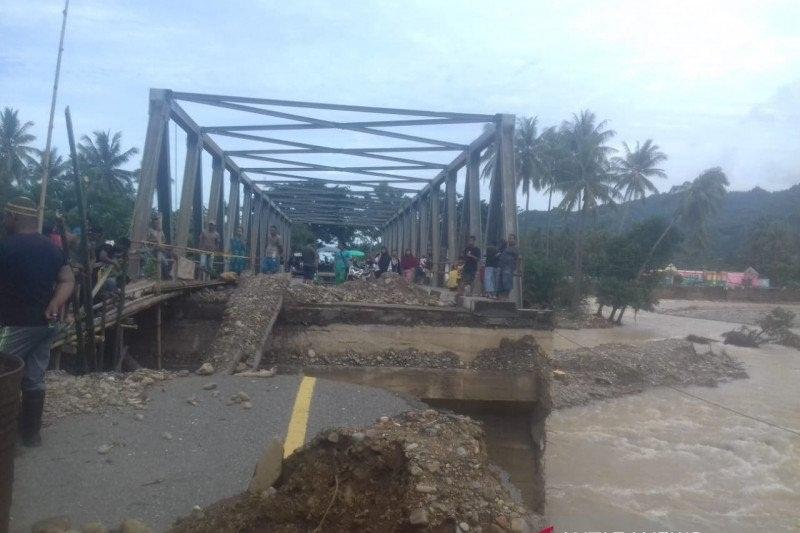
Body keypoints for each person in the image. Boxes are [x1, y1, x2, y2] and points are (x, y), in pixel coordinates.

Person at [0, 197, 75, 447]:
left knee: (4, 373)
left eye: (5, 216)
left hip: (13, 326)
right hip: (45, 326)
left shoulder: (5, 247)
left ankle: (5, 434)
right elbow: (67, 280)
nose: (4, 220)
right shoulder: (53, 249)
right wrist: (55, 303)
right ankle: (31, 434)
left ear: (13, 217)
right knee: (33, 378)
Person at [145, 214, 172, 280]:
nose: (157, 224)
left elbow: (164, 240)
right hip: (153, 249)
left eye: (158, 223)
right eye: (155, 222)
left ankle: (167, 275)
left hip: (161, 249)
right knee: (164, 262)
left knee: (171, 257)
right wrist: (156, 240)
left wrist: (161, 243)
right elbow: (147, 240)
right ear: (153, 223)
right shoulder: (150, 230)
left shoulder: (161, 231)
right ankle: (165, 277)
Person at [497, 234, 520, 300]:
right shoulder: (506, 248)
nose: (509, 240)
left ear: (515, 240)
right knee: (501, 283)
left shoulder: (515, 249)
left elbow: (518, 259)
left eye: (511, 238)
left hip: (509, 268)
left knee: (507, 282)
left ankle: (506, 297)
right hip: (502, 267)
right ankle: (501, 297)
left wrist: (518, 269)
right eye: (509, 238)